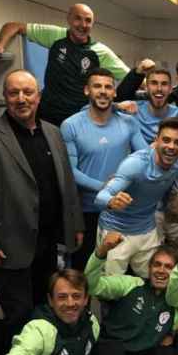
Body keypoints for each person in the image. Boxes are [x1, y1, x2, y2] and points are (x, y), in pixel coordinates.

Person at [0, 70, 83, 349]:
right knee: (18, 315)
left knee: (45, 309)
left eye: (28, 92)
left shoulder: (52, 133)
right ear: (5, 97)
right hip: (9, 246)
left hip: (49, 242)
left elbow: (66, 183)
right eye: (14, 93)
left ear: (38, 97)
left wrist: (74, 225)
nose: (21, 99)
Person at [0, 4, 130, 126]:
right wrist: (0, 45)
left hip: (78, 119)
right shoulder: (55, 35)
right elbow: (13, 26)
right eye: (78, 18)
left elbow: (129, 76)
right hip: (47, 114)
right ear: (69, 19)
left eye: (88, 21)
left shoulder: (100, 51)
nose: (83, 25)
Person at [61, 68, 144, 270]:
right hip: (87, 213)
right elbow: (70, 171)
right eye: (97, 86)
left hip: (122, 212)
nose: (103, 91)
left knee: (120, 275)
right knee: (85, 272)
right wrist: (104, 187)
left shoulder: (128, 122)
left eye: (108, 87)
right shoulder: (71, 125)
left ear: (114, 92)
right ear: (87, 90)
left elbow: (145, 157)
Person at [93, 117, 178, 277]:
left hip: (147, 231)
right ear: (156, 140)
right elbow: (100, 197)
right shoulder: (136, 164)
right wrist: (111, 201)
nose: (171, 147)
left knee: (153, 281)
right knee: (111, 286)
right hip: (116, 232)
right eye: (166, 140)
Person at [113, 68, 178, 147]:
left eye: (164, 84)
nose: (159, 88)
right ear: (146, 87)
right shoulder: (133, 109)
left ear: (170, 89)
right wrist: (117, 106)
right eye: (154, 83)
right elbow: (103, 110)